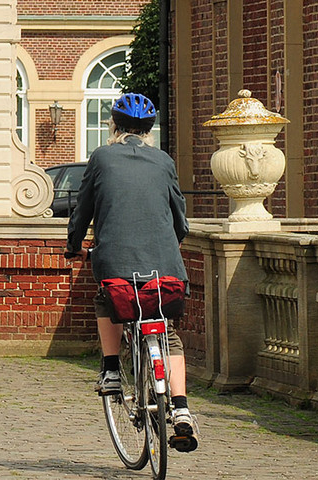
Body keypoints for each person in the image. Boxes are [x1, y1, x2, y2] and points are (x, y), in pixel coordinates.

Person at [65, 93, 198, 453]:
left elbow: (84, 209)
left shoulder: (102, 157)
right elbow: (179, 218)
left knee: (105, 299)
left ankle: (110, 369)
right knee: (167, 332)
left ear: (113, 126)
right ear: (149, 130)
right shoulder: (163, 161)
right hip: (165, 265)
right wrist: (173, 242)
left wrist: (73, 244)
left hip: (117, 261)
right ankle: (182, 410)